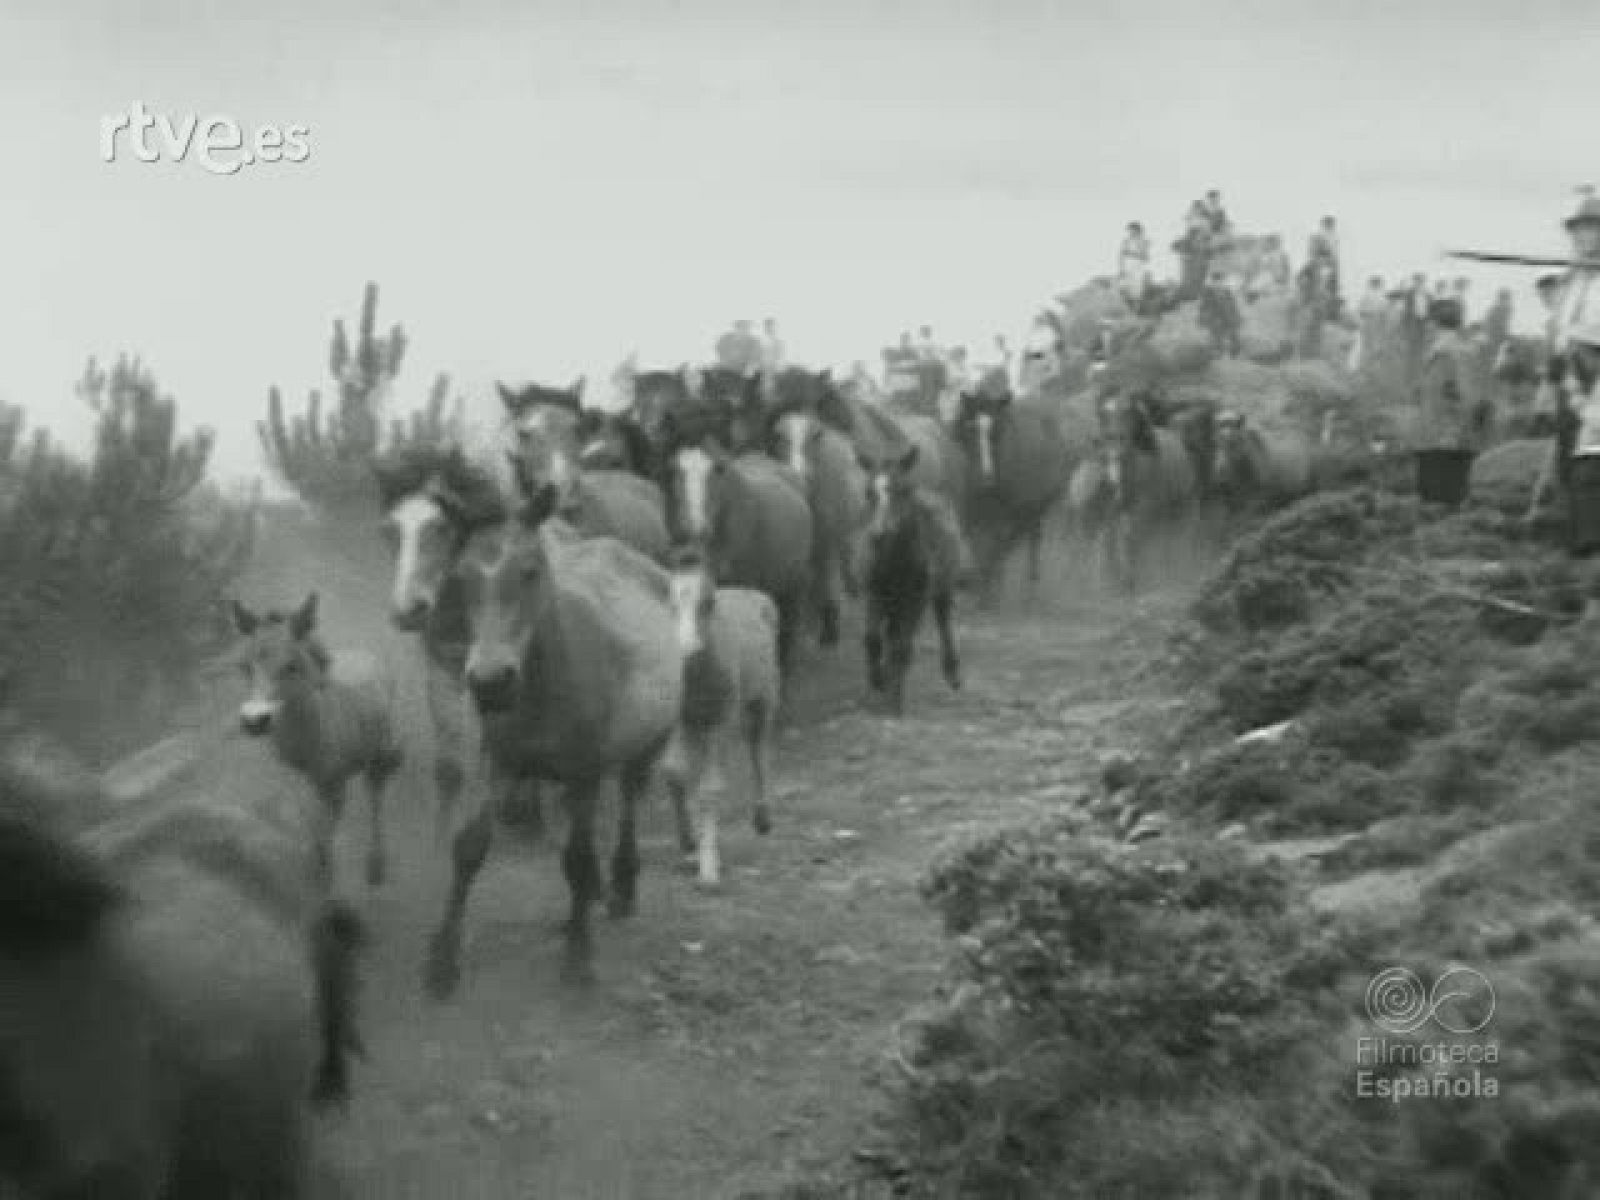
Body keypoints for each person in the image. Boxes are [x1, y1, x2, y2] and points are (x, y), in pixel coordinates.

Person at [1414, 296, 1489, 507]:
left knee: (1440, 500)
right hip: (1443, 436)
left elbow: (1468, 397)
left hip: (1445, 439)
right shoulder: (1461, 349)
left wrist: (1456, 432)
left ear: (1434, 322)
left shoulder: (1449, 352)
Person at [1199, 269, 1242, 357]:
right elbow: (1204, 307)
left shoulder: (1227, 291)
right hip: (1215, 317)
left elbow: (1232, 305)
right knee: (1217, 335)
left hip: (1228, 316)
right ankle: (1218, 350)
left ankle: (1234, 351)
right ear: (1213, 281)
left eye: (1221, 281)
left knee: (1233, 334)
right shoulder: (1208, 292)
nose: (1219, 283)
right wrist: (1207, 317)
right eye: (1216, 281)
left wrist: (1236, 316)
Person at [1117, 221, 1152, 309]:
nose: (1131, 232)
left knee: (1137, 290)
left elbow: (1146, 257)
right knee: (1123, 287)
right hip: (1127, 265)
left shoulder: (1143, 242)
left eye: (1132, 230)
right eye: (1130, 230)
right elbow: (1121, 255)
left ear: (1138, 230)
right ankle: (1129, 307)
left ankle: (1137, 309)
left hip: (1138, 266)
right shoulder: (1126, 241)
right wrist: (1121, 268)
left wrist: (1132, 253)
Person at [1357, 276, 1389, 370]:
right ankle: (1364, 367)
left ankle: (1371, 368)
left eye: (1378, 284)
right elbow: (1361, 310)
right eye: (1376, 284)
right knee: (1367, 345)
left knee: (1375, 345)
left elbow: (1384, 312)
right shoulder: (1367, 296)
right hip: (1369, 320)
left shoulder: (1382, 297)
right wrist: (1365, 318)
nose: (1378, 286)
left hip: (1378, 322)